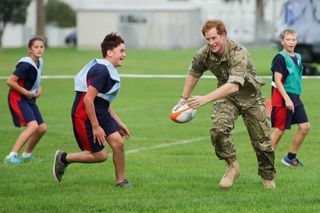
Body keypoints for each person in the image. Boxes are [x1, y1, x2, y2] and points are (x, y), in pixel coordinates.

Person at [178, 19, 276, 189]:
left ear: (223, 35)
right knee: (218, 130)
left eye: (214, 38)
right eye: (207, 39)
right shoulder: (204, 53)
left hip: (250, 97)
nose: (211, 43)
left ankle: (268, 178)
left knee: (263, 143)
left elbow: (234, 85)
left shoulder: (239, 52)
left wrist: (205, 98)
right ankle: (232, 166)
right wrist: (183, 98)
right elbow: (194, 72)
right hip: (227, 98)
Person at [53, 32, 131, 187]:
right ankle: (63, 158)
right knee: (100, 155)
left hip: (99, 111)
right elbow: (88, 99)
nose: (125, 54)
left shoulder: (108, 69)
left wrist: (119, 123)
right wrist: (96, 126)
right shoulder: (102, 70)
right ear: (109, 53)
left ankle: (121, 181)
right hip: (85, 115)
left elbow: (103, 102)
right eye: (121, 51)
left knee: (118, 143)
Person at [270, 29, 311, 167]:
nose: (291, 42)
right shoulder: (280, 58)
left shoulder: (298, 57)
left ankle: (290, 158)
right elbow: (277, 81)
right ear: (282, 41)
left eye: (293, 39)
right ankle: (266, 162)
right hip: (282, 97)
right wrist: (287, 99)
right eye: (288, 39)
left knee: (305, 127)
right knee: (279, 130)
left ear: (297, 41)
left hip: (295, 97)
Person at [4, 37, 47, 164]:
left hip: (29, 98)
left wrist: (39, 88)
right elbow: (10, 81)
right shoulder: (25, 64)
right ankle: (11, 156)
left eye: (41, 47)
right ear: (30, 50)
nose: (39, 49)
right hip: (18, 98)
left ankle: (27, 155)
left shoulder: (40, 61)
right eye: (36, 47)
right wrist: (26, 93)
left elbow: (38, 78)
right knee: (33, 126)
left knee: (42, 128)